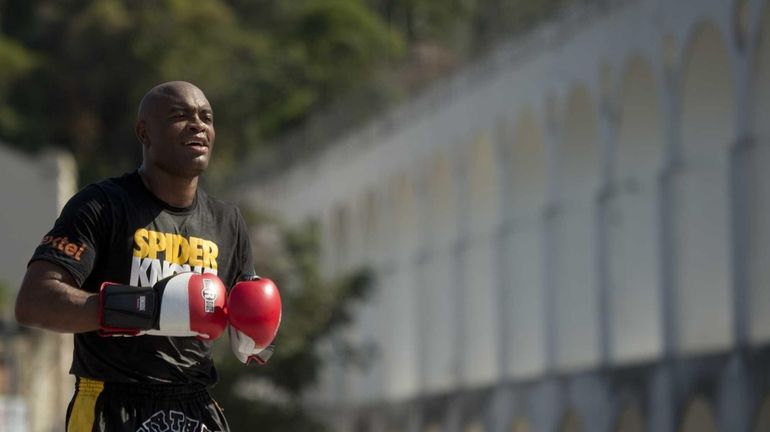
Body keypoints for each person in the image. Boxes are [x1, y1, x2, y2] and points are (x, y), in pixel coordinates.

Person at [14, 81, 268, 432]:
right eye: (180, 116)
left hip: (196, 405)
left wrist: (257, 334)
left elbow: (245, 330)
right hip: (112, 403)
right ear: (144, 132)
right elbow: (34, 301)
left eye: (206, 117)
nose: (198, 125)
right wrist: (148, 309)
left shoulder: (228, 221)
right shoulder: (101, 205)